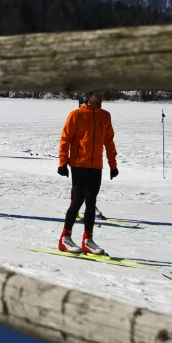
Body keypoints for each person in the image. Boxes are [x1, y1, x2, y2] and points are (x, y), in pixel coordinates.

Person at [57, 90, 117, 255]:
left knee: (91, 203)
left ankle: (87, 240)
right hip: (78, 164)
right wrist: (62, 163)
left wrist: (113, 165)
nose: (100, 96)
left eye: (101, 94)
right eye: (97, 93)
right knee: (77, 200)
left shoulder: (105, 116)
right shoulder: (76, 115)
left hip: (96, 166)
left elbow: (109, 141)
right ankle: (65, 238)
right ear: (89, 96)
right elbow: (65, 139)